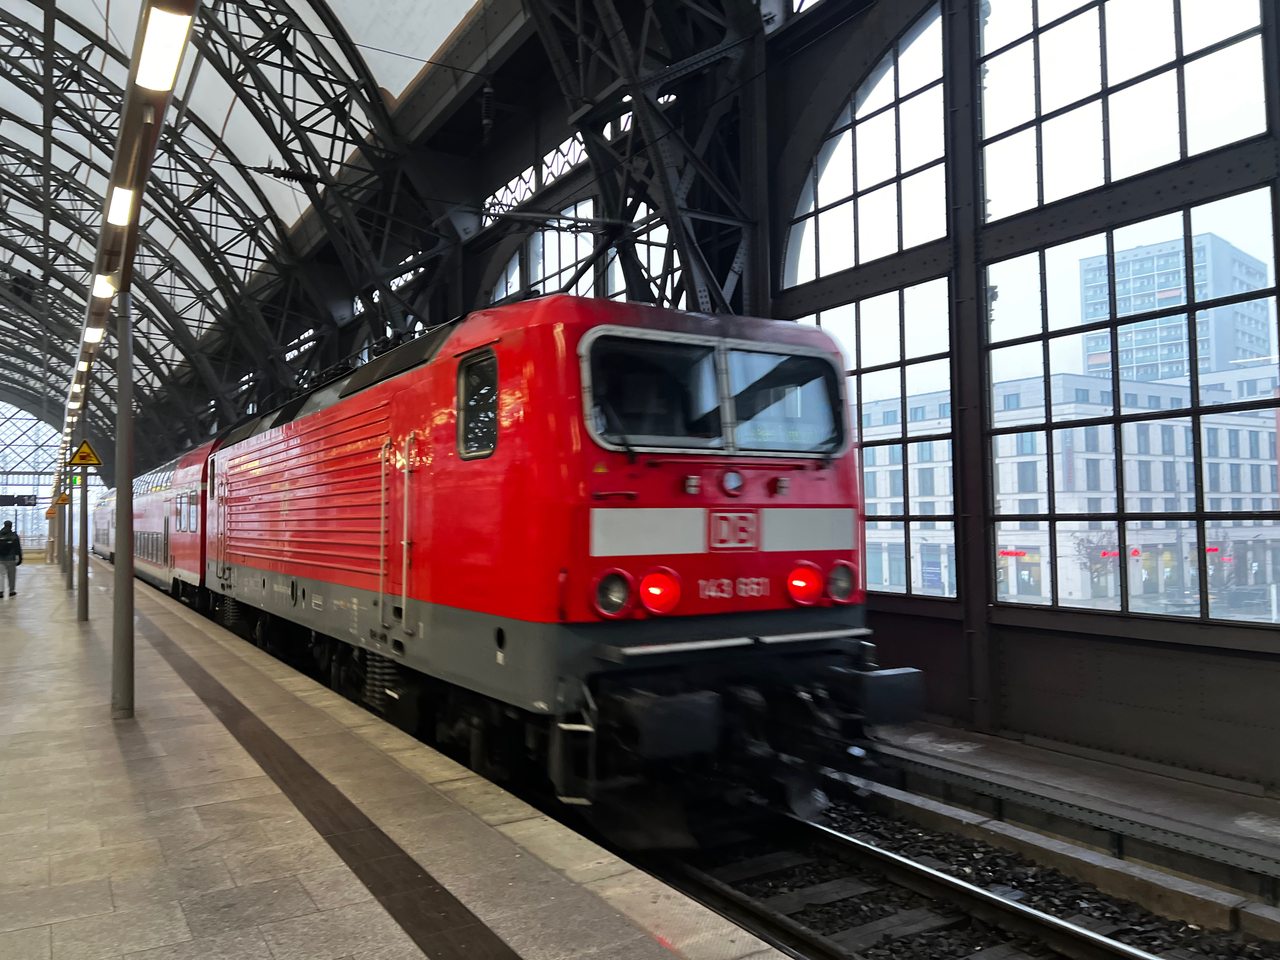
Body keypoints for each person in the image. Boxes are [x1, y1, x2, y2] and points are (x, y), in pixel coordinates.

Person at [0, 520, 21, 597]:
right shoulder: (14, 536)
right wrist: (20, 558)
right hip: (11, 559)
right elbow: (18, 548)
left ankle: (0, 591)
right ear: (11, 526)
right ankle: (11, 591)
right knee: (11, 575)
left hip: (0, 559)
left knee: (1, 575)